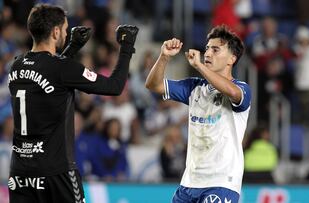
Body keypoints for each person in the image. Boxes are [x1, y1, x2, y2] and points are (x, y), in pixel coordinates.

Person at [7, 4, 138, 203]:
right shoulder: (62, 68)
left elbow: (48, 75)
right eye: (66, 29)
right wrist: (127, 47)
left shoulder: (16, 65)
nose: (67, 32)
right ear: (56, 31)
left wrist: (72, 47)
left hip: (20, 173)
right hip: (56, 173)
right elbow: (114, 87)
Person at [145, 25, 251, 203]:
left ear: (232, 58)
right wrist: (164, 57)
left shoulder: (241, 88)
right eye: (207, 48)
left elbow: (232, 93)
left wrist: (200, 66)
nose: (208, 53)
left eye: (215, 50)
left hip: (221, 182)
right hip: (190, 182)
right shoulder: (194, 87)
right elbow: (153, 85)